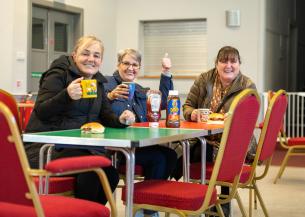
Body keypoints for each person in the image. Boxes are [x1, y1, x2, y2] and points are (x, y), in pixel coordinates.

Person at [25, 35, 135, 205]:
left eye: (96, 55)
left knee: (112, 175)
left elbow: (106, 115)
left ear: (101, 60)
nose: (91, 59)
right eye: (85, 53)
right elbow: (42, 110)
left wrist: (121, 119)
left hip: (79, 147)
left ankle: (92, 212)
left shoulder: (97, 83)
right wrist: (66, 95)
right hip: (45, 149)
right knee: (91, 171)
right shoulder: (58, 74)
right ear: (75, 55)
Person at [176, 46, 256, 217]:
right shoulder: (204, 79)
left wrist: (236, 118)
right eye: (223, 61)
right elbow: (187, 105)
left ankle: (222, 201)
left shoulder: (248, 86)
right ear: (216, 63)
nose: (228, 65)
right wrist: (193, 113)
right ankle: (203, 200)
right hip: (203, 138)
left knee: (211, 153)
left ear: (239, 64)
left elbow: (250, 117)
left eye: (233, 61)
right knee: (192, 152)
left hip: (234, 143)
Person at [104, 48, 177, 217]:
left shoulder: (139, 89)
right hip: (116, 149)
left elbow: (164, 102)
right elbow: (96, 105)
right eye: (126, 63)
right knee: (158, 158)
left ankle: (146, 204)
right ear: (118, 64)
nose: (131, 68)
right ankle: (147, 210)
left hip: (138, 145)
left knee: (171, 155)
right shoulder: (107, 84)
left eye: (135, 65)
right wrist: (110, 96)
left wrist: (166, 73)